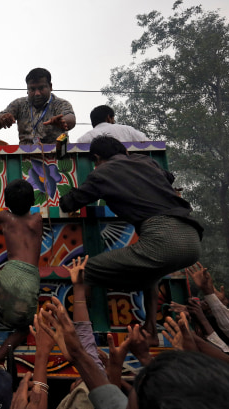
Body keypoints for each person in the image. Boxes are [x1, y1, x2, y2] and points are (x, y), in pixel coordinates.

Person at [59, 135, 203, 341]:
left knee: (86, 271)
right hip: (191, 237)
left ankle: (80, 335)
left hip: (162, 238)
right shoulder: (145, 161)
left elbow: (69, 203)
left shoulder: (102, 173)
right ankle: (151, 330)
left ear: (97, 157)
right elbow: (168, 177)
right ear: (124, 151)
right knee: (149, 276)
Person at [0, 179, 43, 330]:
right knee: (25, 325)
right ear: (32, 201)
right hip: (30, 276)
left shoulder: (5, 217)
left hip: (10, 271)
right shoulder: (37, 219)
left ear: (7, 203)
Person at [0, 68, 75, 144]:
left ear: (50, 86)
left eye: (41, 88)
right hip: (25, 157)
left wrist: (62, 121)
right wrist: (2, 118)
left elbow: (71, 118)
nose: (37, 93)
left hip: (56, 156)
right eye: (32, 89)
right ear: (27, 89)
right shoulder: (19, 104)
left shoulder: (60, 103)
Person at [76, 105, 149, 143]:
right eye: (113, 118)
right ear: (108, 117)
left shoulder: (84, 138)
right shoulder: (127, 130)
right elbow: (148, 144)